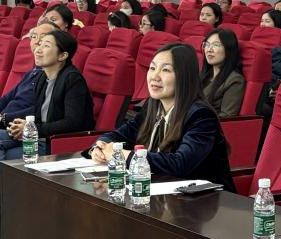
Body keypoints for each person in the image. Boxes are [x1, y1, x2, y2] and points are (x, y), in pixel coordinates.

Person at [0, 29, 93, 217]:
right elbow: (38, 112)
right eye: (39, 44)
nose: (38, 49)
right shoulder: (43, 77)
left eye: (46, 45)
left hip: (58, 144)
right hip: (40, 137)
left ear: (62, 55)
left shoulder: (72, 79)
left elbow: (73, 123)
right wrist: (20, 125)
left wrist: (33, 130)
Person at [89, 43, 232, 185]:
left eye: (165, 70)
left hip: (203, 196)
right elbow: (117, 135)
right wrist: (99, 147)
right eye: (152, 68)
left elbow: (180, 164)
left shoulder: (201, 115)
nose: (155, 76)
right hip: (160, 190)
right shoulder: (152, 106)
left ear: (184, 77)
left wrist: (124, 155)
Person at [0, 21, 57, 138]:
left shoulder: (52, 75)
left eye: (44, 38)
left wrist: (2, 119)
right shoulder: (32, 72)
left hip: (17, 129)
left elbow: (40, 110)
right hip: (1, 123)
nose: (37, 41)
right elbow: (8, 96)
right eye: (34, 37)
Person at [200, 29, 245, 118]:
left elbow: (226, 117)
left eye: (216, 45)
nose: (209, 50)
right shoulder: (204, 75)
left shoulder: (235, 80)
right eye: (207, 44)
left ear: (229, 50)